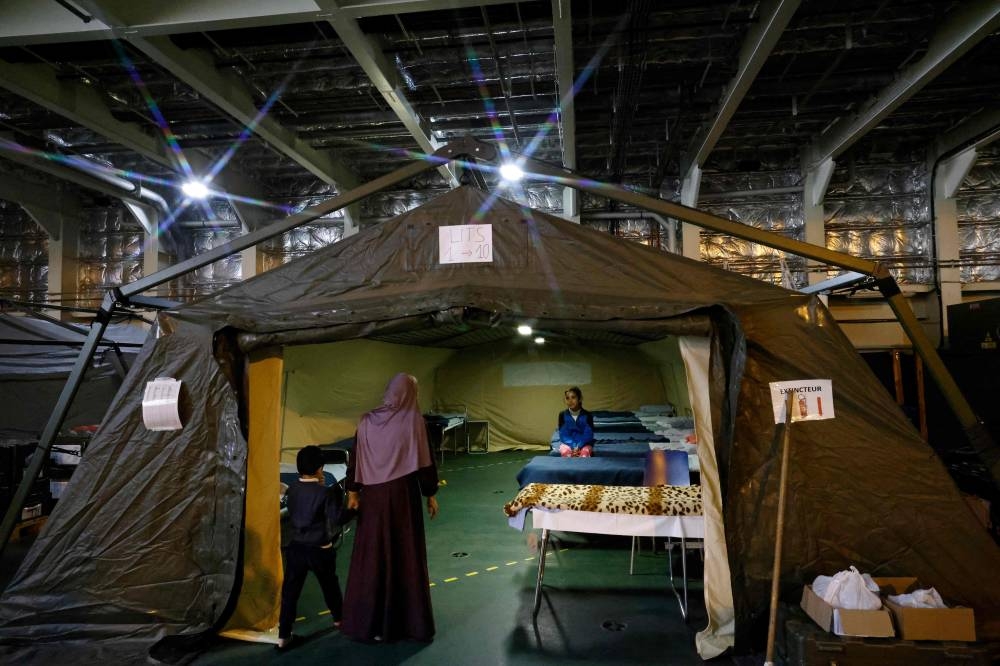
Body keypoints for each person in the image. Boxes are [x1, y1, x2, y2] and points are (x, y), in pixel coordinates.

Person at [341, 373, 440, 643]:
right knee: (404, 554)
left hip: (372, 499)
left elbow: (355, 458)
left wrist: (353, 491)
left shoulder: (366, 421)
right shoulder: (414, 422)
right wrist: (430, 494)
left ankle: (368, 623)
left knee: (372, 556)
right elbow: (426, 465)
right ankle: (408, 623)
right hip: (402, 499)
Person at [277, 445, 345, 650]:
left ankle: (283, 636)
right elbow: (337, 519)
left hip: (296, 548)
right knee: (330, 586)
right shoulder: (325, 492)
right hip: (320, 549)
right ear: (320, 468)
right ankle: (339, 620)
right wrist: (354, 509)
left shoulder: (292, 489)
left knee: (290, 593)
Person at [557, 386, 595, 457]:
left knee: (585, 453)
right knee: (565, 452)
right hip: (568, 444)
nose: (570, 400)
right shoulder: (562, 415)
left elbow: (588, 434)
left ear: (580, 399)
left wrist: (579, 446)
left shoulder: (587, 415)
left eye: (573, 397)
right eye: (567, 398)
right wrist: (573, 446)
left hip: (584, 444)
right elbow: (563, 434)